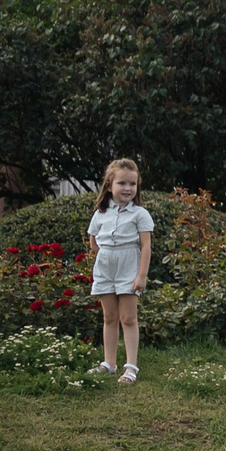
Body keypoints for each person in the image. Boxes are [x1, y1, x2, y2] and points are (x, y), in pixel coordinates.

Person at [85, 159, 153, 384]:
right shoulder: (100, 213)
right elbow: (93, 241)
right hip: (105, 269)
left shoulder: (140, 214)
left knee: (128, 318)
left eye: (132, 184)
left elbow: (145, 246)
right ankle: (109, 363)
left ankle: (131, 366)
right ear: (109, 185)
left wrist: (141, 275)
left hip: (128, 269)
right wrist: (105, 256)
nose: (128, 188)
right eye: (122, 183)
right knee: (110, 317)